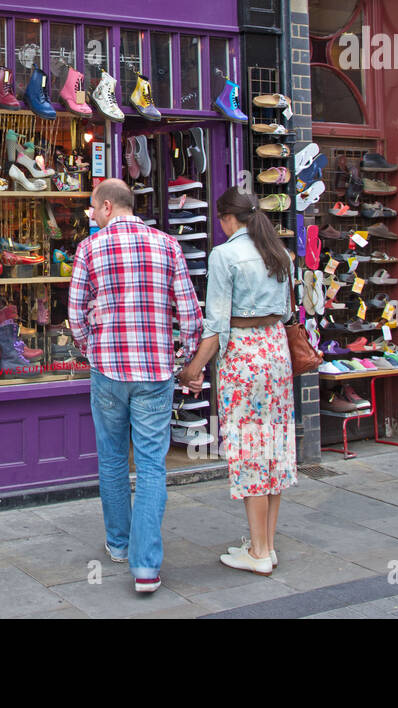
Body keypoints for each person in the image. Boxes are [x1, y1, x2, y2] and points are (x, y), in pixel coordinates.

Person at [68, 178, 202, 594]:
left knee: (111, 459)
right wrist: (179, 360)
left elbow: (75, 314)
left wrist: (91, 349)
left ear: (107, 206)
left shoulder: (90, 248)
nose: (91, 215)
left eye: (93, 208)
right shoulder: (167, 245)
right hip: (154, 373)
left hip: (108, 370)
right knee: (150, 465)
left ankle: (119, 544)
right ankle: (146, 568)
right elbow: (192, 317)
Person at [178, 188, 296, 576]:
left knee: (250, 451)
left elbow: (215, 325)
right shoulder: (278, 253)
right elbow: (289, 311)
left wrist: (193, 369)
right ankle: (267, 543)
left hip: (244, 358)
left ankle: (259, 552)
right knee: (273, 449)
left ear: (227, 218)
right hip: (276, 354)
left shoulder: (225, 255)